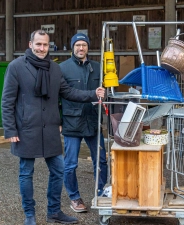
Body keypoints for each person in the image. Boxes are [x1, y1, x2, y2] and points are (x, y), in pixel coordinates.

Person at [1, 29, 106, 225]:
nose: (42, 48)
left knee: (58, 170)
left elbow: (69, 92)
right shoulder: (16, 67)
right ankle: (29, 215)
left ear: (49, 46)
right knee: (26, 172)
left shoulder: (54, 69)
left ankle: (54, 212)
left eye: (45, 45)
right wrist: (10, 129)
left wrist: (93, 94)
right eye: (38, 44)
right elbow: (7, 100)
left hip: (50, 128)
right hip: (26, 129)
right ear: (30, 44)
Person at [59, 33, 108, 213]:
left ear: (88, 47)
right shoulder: (62, 68)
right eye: (78, 45)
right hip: (72, 123)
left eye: (84, 45)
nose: (81, 48)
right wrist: (58, 121)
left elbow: (106, 92)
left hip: (93, 121)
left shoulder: (98, 67)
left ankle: (101, 192)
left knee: (101, 160)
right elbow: (58, 97)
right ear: (73, 47)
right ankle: (74, 197)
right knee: (71, 164)